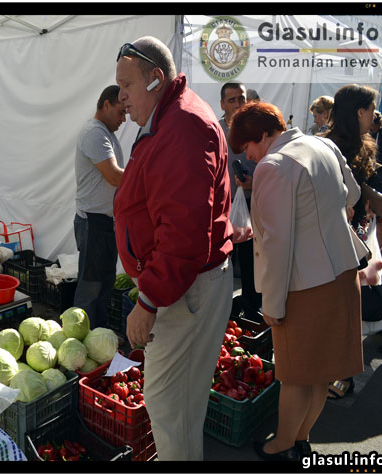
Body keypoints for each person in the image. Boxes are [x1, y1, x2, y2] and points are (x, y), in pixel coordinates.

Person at [114, 37, 233, 460]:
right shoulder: (170, 119)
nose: (120, 96)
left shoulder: (181, 126)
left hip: (185, 291)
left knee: (169, 407)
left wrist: (149, 300)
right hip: (185, 286)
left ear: (155, 79)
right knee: (176, 407)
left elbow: (182, 233)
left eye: (126, 86)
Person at [228, 101, 364, 461]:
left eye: (249, 148)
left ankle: (281, 446)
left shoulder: (274, 166)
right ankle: (300, 438)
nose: (250, 158)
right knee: (321, 371)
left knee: (295, 374)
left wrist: (271, 305)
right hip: (341, 270)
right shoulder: (324, 144)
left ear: (264, 135)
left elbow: (275, 245)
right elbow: (352, 196)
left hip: (304, 283)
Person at [321, 84, 382, 398]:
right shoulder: (329, 146)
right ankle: (338, 375)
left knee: (345, 311)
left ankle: (341, 376)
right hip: (335, 241)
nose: (374, 116)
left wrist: (371, 195)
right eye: (371, 109)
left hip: (353, 240)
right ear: (359, 112)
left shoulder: (358, 143)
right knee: (340, 311)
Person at [73, 85, 126, 328]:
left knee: (104, 286)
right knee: (90, 289)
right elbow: (115, 177)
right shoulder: (94, 133)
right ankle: (81, 339)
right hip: (94, 223)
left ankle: (98, 336)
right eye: (120, 112)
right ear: (106, 104)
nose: (123, 119)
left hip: (104, 223)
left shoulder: (106, 133)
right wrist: (147, 173)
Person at [218, 82, 262, 314]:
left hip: (252, 203)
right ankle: (222, 308)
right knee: (222, 259)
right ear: (222, 103)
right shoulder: (214, 130)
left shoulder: (257, 130)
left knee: (250, 260)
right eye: (232, 100)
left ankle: (252, 309)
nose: (237, 104)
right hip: (222, 207)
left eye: (241, 99)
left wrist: (253, 182)